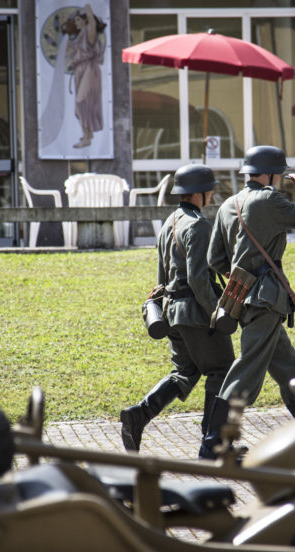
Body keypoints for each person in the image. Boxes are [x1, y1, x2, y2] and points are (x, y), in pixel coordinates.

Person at [203, 145, 295, 459]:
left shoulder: (228, 205)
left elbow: (214, 259)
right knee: (247, 370)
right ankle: (213, 442)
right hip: (267, 298)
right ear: (272, 174)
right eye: (279, 174)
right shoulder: (270, 200)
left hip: (241, 298)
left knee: (287, 368)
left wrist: (242, 272)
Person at [120, 164, 234, 453]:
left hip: (172, 313)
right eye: (209, 190)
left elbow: (162, 279)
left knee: (184, 371)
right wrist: (216, 313)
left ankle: (138, 416)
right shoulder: (198, 225)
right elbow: (198, 278)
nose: (211, 195)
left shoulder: (169, 222)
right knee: (222, 370)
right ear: (199, 193)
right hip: (196, 314)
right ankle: (212, 443)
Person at [69, 5, 106, 149]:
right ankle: (87, 134)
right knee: (82, 104)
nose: (76, 23)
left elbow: (93, 23)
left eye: (78, 19)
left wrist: (89, 11)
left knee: (82, 101)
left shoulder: (88, 33)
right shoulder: (79, 36)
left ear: (85, 21)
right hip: (80, 70)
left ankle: (87, 137)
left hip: (89, 69)